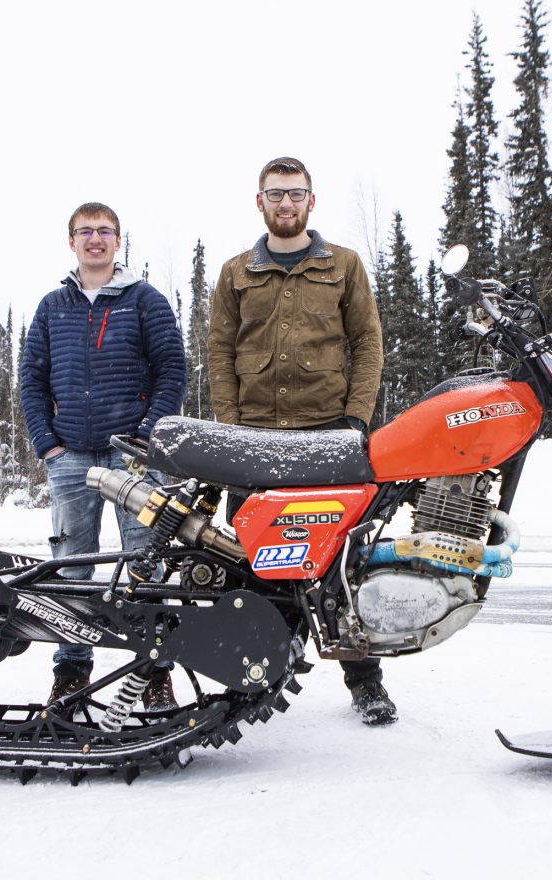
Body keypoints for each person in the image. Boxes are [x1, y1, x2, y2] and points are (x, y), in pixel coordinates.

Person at [207, 156, 396, 726]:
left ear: (311, 202)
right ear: (258, 202)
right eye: (275, 194)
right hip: (257, 440)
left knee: (340, 565)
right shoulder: (236, 272)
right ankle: (250, 679)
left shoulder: (343, 265)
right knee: (253, 562)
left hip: (327, 436)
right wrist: (231, 428)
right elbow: (219, 352)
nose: (285, 203)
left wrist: (356, 421)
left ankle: (365, 681)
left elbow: (368, 342)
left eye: (295, 194)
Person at [21, 201, 187, 710]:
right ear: (71, 241)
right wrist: (46, 443)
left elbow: (172, 372)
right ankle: (70, 671)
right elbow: (31, 379)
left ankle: (155, 671)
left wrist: (145, 435)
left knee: (146, 565)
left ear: (119, 241)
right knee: (72, 567)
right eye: (85, 231)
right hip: (70, 457)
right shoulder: (53, 306)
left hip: (132, 457)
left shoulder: (145, 301)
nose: (95, 239)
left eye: (105, 231)